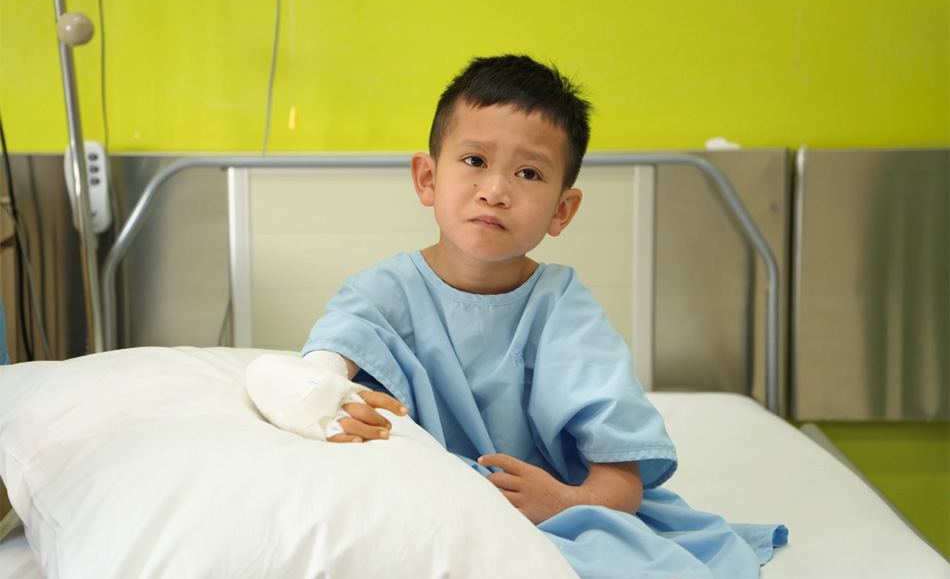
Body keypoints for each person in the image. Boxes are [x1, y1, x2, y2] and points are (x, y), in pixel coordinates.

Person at [300, 55, 786, 578]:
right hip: (426, 501)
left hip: (549, 508)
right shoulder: (379, 294)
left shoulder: (563, 309)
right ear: (427, 178)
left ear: (561, 211)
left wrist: (563, 502)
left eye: (528, 173)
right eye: (474, 160)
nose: (495, 191)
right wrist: (335, 409)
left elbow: (621, 483)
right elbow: (315, 379)